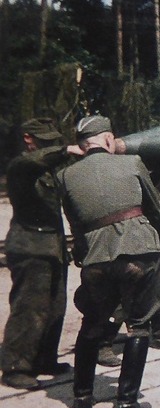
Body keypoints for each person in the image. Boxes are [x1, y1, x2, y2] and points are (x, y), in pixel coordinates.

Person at [57, 115, 160, 408]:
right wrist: (157, 232)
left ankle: (81, 397)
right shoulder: (132, 162)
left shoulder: (66, 176)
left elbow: (75, 223)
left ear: (82, 145)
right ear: (109, 140)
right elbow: (154, 208)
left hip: (95, 259)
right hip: (137, 253)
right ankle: (127, 404)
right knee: (139, 325)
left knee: (91, 323)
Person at [1, 118, 82, 390]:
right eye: (46, 141)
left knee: (55, 307)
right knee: (29, 309)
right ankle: (15, 367)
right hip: (30, 247)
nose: (52, 145)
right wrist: (65, 150)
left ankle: (45, 359)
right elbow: (35, 161)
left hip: (52, 247)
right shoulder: (21, 167)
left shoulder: (47, 171)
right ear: (28, 139)